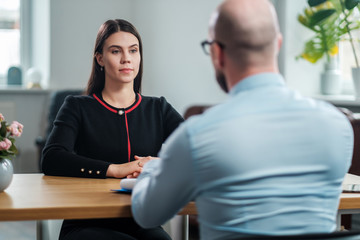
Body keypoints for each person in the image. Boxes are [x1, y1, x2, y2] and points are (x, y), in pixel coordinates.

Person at [131, 0, 354, 239]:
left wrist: (151, 171)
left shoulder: (198, 135)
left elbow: (147, 215)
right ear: (278, 44)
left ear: (217, 53)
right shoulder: (337, 125)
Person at [41, 19, 183, 240]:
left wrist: (159, 163)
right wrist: (115, 169)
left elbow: (196, 150)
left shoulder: (158, 108)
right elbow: (52, 158)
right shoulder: (77, 107)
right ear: (100, 58)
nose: (126, 58)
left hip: (141, 220)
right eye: (116, 51)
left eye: (133, 51)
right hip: (85, 223)